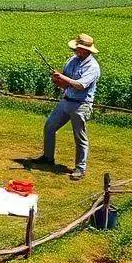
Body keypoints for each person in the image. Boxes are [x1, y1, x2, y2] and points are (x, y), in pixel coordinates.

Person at [30, 33, 101, 180]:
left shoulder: (93, 67)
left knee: (79, 137)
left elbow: (80, 85)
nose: (75, 51)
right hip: (66, 101)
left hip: (81, 105)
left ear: (86, 50)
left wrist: (63, 78)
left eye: (78, 49)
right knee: (49, 126)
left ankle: (80, 169)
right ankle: (48, 158)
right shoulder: (72, 61)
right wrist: (57, 80)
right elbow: (66, 83)